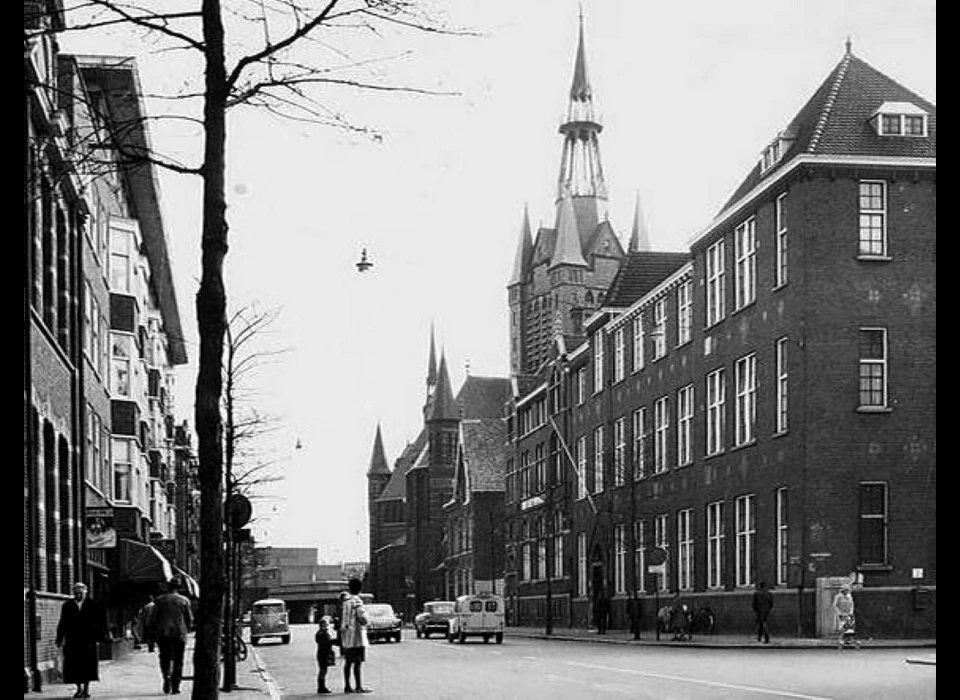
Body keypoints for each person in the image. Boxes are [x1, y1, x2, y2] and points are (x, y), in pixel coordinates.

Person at [56, 581, 107, 699]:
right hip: (73, 640)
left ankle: (86, 688)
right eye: (76, 592)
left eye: (81, 592)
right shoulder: (68, 605)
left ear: (86, 592)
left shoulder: (93, 604)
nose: (79, 595)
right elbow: (63, 622)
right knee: (74, 666)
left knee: (88, 665)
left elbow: (100, 622)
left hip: (88, 640)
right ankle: (79, 688)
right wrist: (59, 638)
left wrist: (100, 637)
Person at [151, 578, 194, 694]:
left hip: (163, 633)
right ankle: (176, 685)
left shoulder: (159, 600)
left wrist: (154, 632)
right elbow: (189, 619)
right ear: (179, 587)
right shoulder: (184, 601)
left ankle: (166, 677)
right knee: (178, 660)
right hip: (179, 633)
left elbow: (154, 618)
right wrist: (187, 630)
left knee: (164, 657)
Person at [339, 577, 371, 694]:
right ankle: (358, 686)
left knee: (348, 662)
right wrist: (367, 623)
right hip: (357, 637)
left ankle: (347, 686)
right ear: (360, 588)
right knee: (357, 663)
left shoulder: (345, 601)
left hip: (347, 636)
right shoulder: (357, 601)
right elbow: (362, 617)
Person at [314, 615, 337, 694]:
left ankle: (321, 686)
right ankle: (321, 687)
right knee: (323, 670)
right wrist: (336, 641)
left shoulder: (319, 633)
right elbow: (327, 642)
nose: (327, 626)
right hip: (323, 654)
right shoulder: (323, 633)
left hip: (321, 653)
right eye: (326, 624)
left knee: (323, 670)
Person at [832, 584, 858, 649]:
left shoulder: (849, 596)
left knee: (850, 627)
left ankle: (849, 639)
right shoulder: (838, 596)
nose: (847, 591)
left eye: (848, 590)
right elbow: (834, 605)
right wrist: (839, 613)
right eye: (845, 590)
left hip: (848, 614)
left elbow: (852, 604)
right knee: (842, 627)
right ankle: (840, 640)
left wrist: (851, 612)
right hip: (841, 614)